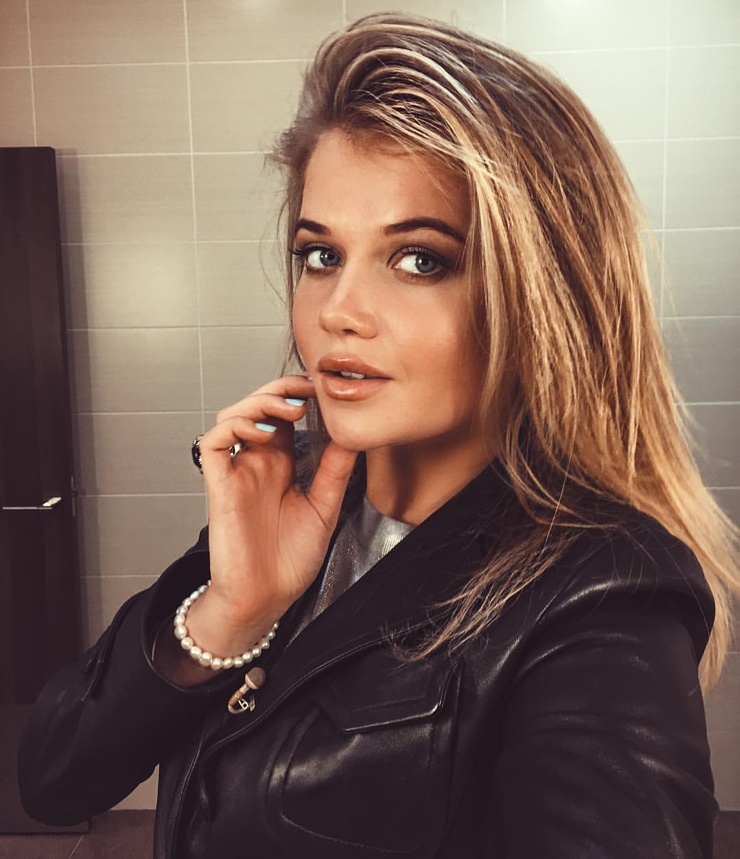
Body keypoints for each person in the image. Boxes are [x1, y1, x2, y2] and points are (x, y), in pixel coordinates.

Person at [18, 13, 738, 859]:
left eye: (420, 259)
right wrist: (232, 609)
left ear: (541, 297)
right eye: (320, 255)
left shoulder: (603, 592)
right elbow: (55, 780)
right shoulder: (293, 494)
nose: (338, 311)